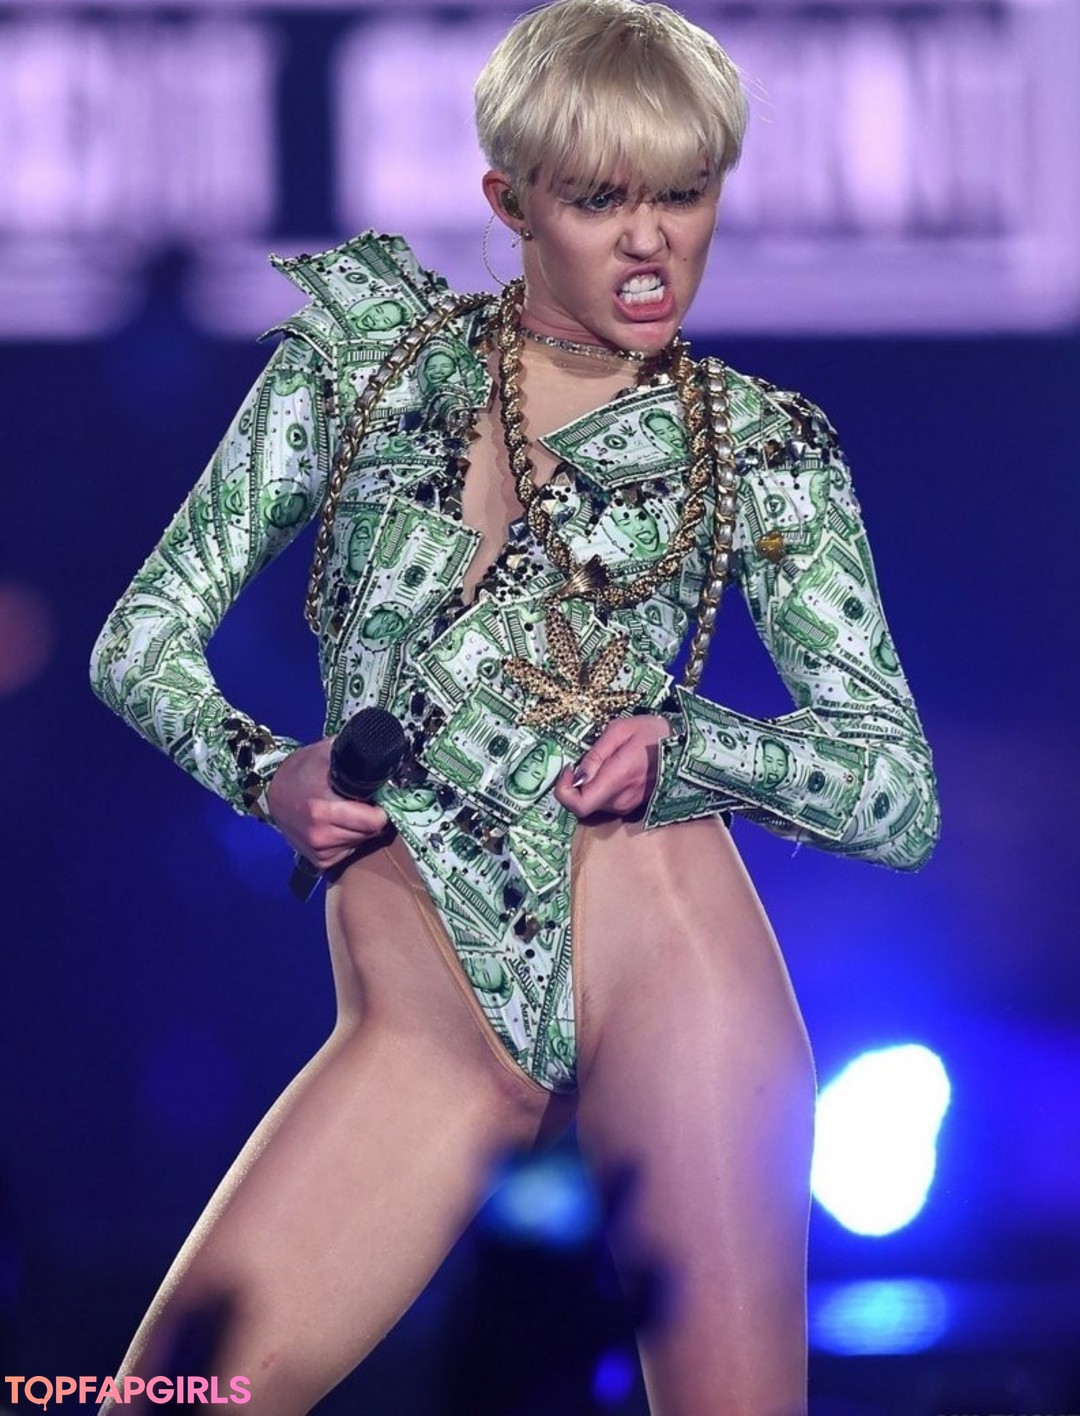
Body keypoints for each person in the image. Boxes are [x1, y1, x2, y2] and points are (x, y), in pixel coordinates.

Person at [89, 1, 940, 1411]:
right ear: (512, 201)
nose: (651, 241)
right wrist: (264, 771)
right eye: (601, 200)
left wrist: (694, 750)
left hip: (677, 979)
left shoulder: (761, 448)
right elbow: (141, 641)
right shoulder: (360, 370)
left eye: (685, 193)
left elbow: (896, 790)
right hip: (426, 1030)